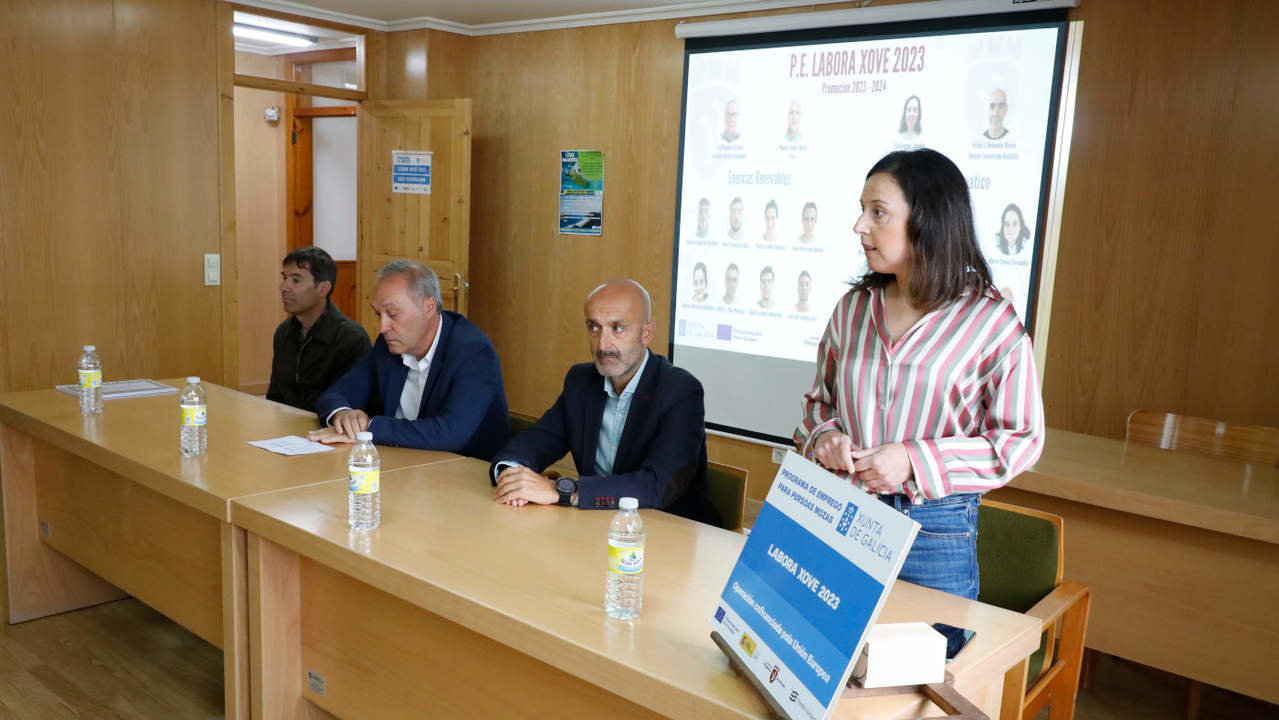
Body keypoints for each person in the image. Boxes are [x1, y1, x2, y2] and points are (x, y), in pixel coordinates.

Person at [794, 148, 1044, 604]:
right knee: (832, 658)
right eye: (861, 211)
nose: (860, 226)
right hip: (843, 512)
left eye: (878, 213)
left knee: (930, 666)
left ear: (927, 220)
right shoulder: (852, 310)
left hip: (933, 529)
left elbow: (1021, 438)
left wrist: (914, 461)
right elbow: (818, 404)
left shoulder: (990, 321)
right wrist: (824, 436)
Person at [489, 280, 719, 524]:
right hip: (597, 525)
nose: (602, 345)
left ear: (646, 334)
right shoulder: (581, 381)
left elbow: (657, 486)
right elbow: (537, 440)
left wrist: (564, 491)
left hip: (667, 531)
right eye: (594, 327)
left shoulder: (680, 391)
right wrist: (512, 475)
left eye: (617, 328)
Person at [311, 260, 509, 460]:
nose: (382, 327)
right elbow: (336, 394)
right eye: (378, 314)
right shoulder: (389, 344)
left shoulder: (474, 352)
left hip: (464, 474)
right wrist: (343, 416)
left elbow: (449, 433)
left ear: (429, 307)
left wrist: (369, 428)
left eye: (393, 314)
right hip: (401, 464)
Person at [266, 247, 370, 412]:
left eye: (296, 280)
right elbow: (275, 396)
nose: (284, 287)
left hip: (327, 430)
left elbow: (350, 405)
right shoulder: (283, 332)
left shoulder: (351, 338)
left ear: (323, 288)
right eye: (284, 278)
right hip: (285, 430)